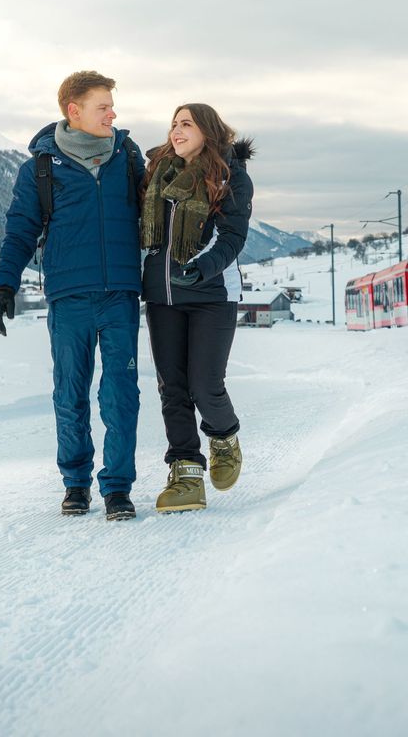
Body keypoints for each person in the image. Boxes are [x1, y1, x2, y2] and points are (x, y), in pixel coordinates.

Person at [0, 71, 145, 521]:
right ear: (74, 111)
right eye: (103, 107)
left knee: (120, 394)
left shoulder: (128, 157)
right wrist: (4, 285)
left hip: (119, 294)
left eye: (112, 106)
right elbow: (20, 229)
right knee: (70, 393)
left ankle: (117, 488)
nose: (113, 114)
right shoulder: (40, 168)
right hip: (69, 296)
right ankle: (76, 483)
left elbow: (159, 211)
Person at [139, 103, 254, 514]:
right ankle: (186, 473)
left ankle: (223, 438)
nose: (176, 130)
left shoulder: (228, 176)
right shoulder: (157, 172)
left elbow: (232, 235)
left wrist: (201, 267)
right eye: (173, 124)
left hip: (211, 294)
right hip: (162, 297)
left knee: (205, 384)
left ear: (208, 130)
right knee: (172, 388)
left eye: (186, 123)